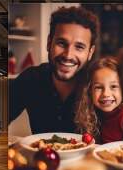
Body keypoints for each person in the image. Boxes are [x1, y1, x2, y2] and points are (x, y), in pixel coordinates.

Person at [9, 6, 100, 134]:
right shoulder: (31, 78)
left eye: (79, 47)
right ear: (49, 43)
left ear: (90, 52)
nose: (68, 55)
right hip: (39, 154)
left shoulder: (98, 85)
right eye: (62, 43)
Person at [74, 57, 123, 143]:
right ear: (90, 91)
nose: (106, 94)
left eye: (113, 86)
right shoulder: (91, 113)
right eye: (99, 87)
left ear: (122, 90)